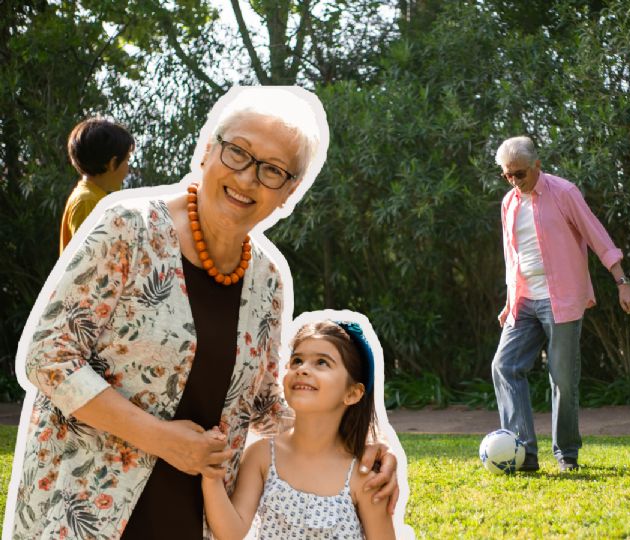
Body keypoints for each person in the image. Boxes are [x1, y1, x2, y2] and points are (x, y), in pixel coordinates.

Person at [5, 87, 399, 540]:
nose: (248, 178)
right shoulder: (127, 230)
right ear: (208, 151)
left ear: (289, 192)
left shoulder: (267, 281)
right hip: (81, 512)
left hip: (194, 520)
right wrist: (164, 440)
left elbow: (267, 405)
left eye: (272, 170)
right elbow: (48, 358)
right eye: (238, 153)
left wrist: (363, 447)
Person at [491, 136, 630, 472]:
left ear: (537, 166)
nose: (513, 181)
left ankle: (566, 454)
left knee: (563, 377)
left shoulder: (564, 193)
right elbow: (511, 257)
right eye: (507, 175)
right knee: (504, 366)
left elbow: (597, 236)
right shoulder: (509, 203)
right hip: (524, 300)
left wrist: (622, 283)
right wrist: (509, 299)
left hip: (562, 300)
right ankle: (524, 453)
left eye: (519, 174)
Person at [202, 320, 395, 539]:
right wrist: (211, 476)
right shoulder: (262, 456)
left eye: (322, 362)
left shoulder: (363, 475)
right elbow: (231, 532)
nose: (302, 369)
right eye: (297, 360)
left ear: (352, 394)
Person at [60, 117, 135, 253]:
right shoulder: (87, 201)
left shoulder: (94, 198)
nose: (128, 169)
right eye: (127, 160)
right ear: (112, 163)